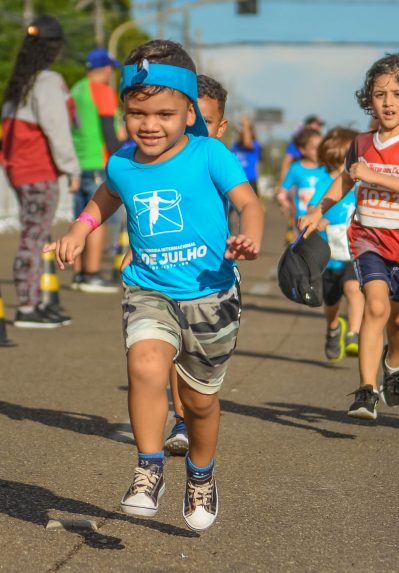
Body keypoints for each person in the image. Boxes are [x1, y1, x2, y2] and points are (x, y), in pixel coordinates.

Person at [45, 40, 264, 530]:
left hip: (211, 294)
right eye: (137, 112)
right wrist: (81, 229)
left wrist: (251, 236)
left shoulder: (211, 153)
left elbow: (250, 204)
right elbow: (105, 196)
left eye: (165, 113)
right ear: (125, 110)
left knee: (200, 402)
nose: (149, 124)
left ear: (190, 112)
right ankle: (148, 470)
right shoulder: (122, 162)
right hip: (149, 289)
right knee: (144, 364)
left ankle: (201, 474)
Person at [299, 53, 399, 420]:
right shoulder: (361, 143)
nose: (388, 102)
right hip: (367, 239)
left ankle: (394, 363)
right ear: (369, 99)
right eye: (380, 94)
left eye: (398, 94)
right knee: (375, 306)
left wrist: (374, 176)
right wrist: (319, 210)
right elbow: (345, 180)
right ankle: (366, 390)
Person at [163, 73, 231, 456]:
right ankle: (181, 419)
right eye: (192, 119)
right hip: (167, 274)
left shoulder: (217, 161)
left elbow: (246, 205)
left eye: (207, 122)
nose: (197, 129)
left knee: (199, 358)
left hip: (212, 278)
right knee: (173, 348)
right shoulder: (166, 161)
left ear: (220, 127)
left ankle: (197, 410)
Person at [1, 16, 80, 328]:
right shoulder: (48, 82)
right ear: (55, 49)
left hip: (19, 171)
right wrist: (71, 168)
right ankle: (28, 305)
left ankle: (38, 300)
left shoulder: (19, 84)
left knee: (35, 234)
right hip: (39, 171)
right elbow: (57, 131)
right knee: (34, 237)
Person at [69, 48, 124, 294]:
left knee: (80, 217)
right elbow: (109, 134)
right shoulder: (102, 91)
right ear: (104, 70)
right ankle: (92, 274)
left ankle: (79, 274)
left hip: (77, 163)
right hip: (97, 162)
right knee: (97, 219)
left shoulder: (75, 90)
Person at [306, 127, 364, 362]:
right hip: (329, 255)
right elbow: (313, 209)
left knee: (353, 289)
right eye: (338, 163)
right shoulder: (324, 183)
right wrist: (318, 219)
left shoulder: (360, 184)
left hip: (353, 251)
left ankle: (353, 334)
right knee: (330, 302)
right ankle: (333, 328)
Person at [277, 127, 325, 232]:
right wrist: (284, 204)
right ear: (302, 150)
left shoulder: (327, 168)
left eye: (322, 147)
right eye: (314, 148)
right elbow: (282, 192)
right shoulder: (295, 168)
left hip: (323, 219)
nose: (319, 152)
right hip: (302, 220)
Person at [278, 115, 325, 185]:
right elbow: (286, 163)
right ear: (307, 125)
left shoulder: (323, 142)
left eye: (320, 125)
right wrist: (281, 183)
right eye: (316, 124)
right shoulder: (296, 144)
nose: (318, 127)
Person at [231, 117, 261, 194]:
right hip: (236, 182)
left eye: (245, 131)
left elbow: (247, 142)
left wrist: (246, 125)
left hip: (250, 181)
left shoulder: (255, 145)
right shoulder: (235, 146)